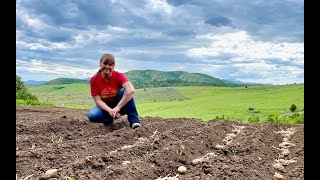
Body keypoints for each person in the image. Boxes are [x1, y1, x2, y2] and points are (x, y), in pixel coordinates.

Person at [87, 53, 142, 129]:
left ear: (113, 66)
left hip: (120, 105)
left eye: (110, 64)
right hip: (105, 108)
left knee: (125, 91)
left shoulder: (118, 76)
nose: (107, 67)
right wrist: (111, 111)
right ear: (100, 64)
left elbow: (131, 90)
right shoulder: (94, 80)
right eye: (105, 63)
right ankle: (110, 119)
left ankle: (134, 121)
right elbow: (98, 101)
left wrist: (118, 108)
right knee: (92, 115)